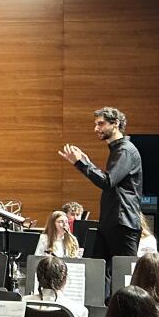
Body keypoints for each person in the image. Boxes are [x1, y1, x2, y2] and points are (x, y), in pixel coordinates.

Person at [59, 107, 143, 272]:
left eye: (101, 124)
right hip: (112, 222)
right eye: (96, 124)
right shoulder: (118, 150)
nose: (96, 128)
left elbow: (107, 181)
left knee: (124, 275)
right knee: (99, 273)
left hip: (122, 223)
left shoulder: (125, 150)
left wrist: (81, 163)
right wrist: (87, 163)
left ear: (116, 123)